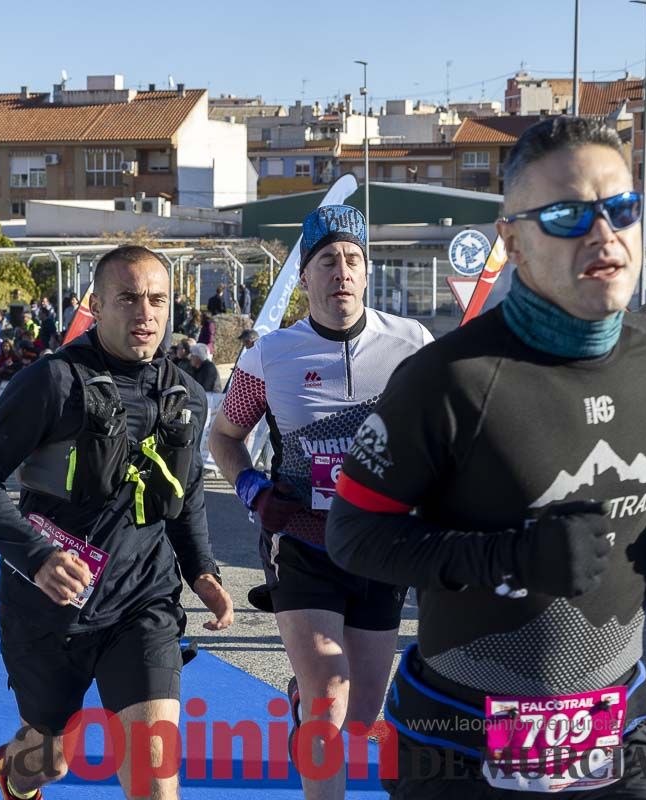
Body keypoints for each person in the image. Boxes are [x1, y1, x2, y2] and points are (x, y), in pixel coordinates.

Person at [326, 117, 646, 796]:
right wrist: (506, 557)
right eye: (568, 214)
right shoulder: (451, 377)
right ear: (511, 240)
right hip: (458, 745)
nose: (604, 234)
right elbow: (352, 535)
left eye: (620, 208)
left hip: (620, 737)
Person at [0, 245, 234, 800]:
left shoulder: (186, 395)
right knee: (47, 762)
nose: (144, 313)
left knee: (156, 773)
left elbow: (186, 490)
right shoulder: (52, 382)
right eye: (128, 298)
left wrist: (202, 570)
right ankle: (18, 765)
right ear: (99, 304)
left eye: (156, 300)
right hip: (49, 609)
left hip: (143, 602)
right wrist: (36, 557)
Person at [207, 204, 433, 800]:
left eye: (353, 259)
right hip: (303, 543)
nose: (342, 272)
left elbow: (438, 438)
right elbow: (223, 437)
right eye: (327, 261)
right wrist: (254, 491)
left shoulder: (412, 345)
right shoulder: (270, 355)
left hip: (380, 547)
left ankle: (303, 703)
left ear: (367, 271)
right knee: (332, 704)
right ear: (304, 277)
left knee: (359, 717)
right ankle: (314, 709)